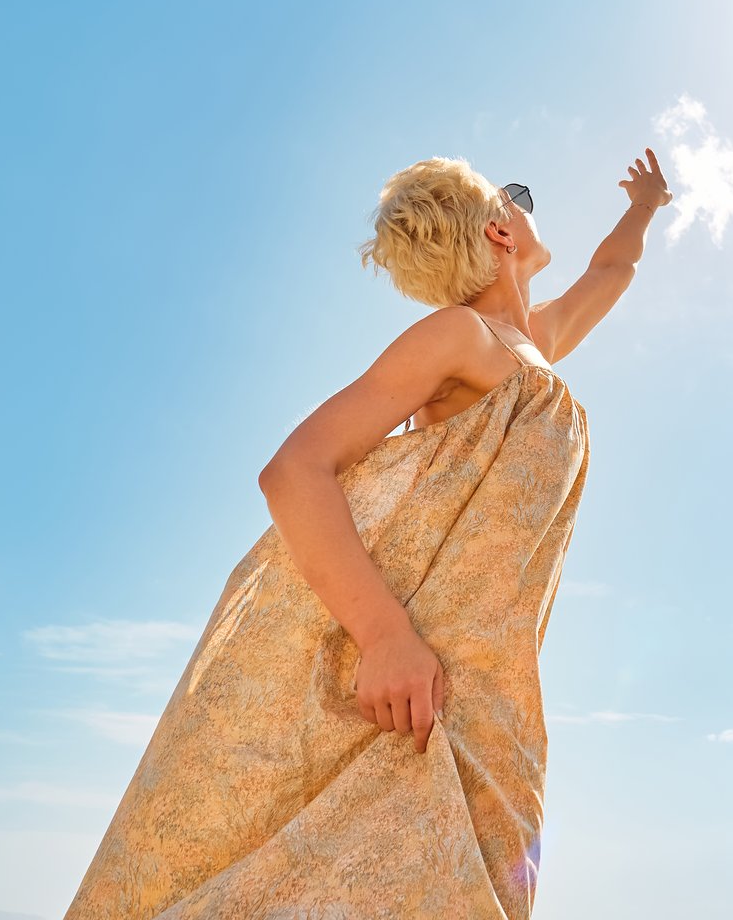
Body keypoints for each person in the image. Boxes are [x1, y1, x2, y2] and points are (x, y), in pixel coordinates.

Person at [63, 149, 672, 919]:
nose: (528, 201)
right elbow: (295, 470)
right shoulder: (461, 337)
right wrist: (385, 638)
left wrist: (646, 206)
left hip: (492, 690)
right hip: (411, 674)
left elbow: (610, 273)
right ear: (499, 228)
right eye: (518, 195)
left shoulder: (534, 353)